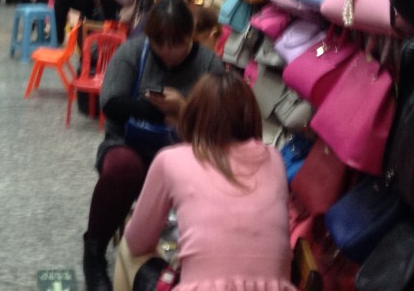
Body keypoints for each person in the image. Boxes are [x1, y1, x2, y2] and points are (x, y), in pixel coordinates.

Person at [82, 0, 224, 291]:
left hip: (187, 148)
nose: (169, 53)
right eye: (162, 44)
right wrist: (158, 110)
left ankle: (201, 257)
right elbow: (111, 103)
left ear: (191, 35)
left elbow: (218, 120)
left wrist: (182, 108)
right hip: (129, 143)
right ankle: (94, 251)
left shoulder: (209, 63)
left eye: (178, 44)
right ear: (151, 38)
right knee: (122, 168)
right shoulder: (132, 52)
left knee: (215, 174)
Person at [114, 72, 293, 291]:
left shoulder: (171, 160)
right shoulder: (274, 159)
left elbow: (137, 242)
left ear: (192, 114)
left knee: (127, 246)